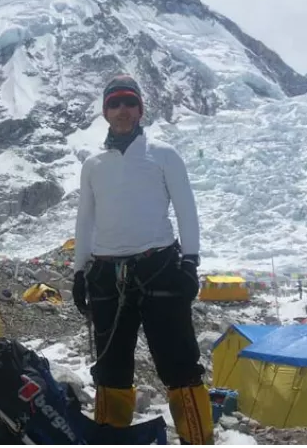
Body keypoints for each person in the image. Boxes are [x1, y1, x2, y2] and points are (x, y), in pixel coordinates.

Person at [71, 74, 213, 444]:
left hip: (161, 270)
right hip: (104, 275)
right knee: (111, 370)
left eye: (128, 102)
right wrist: (78, 273)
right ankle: (111, 439)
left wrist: (190, 262)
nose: (122, 110)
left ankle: (198, 441)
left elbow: (187, 211)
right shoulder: (93, 164)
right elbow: (84, 220)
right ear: (105, 111)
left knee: (180, 366)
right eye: (114, 103)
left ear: (140, 109)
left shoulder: (163, 154)